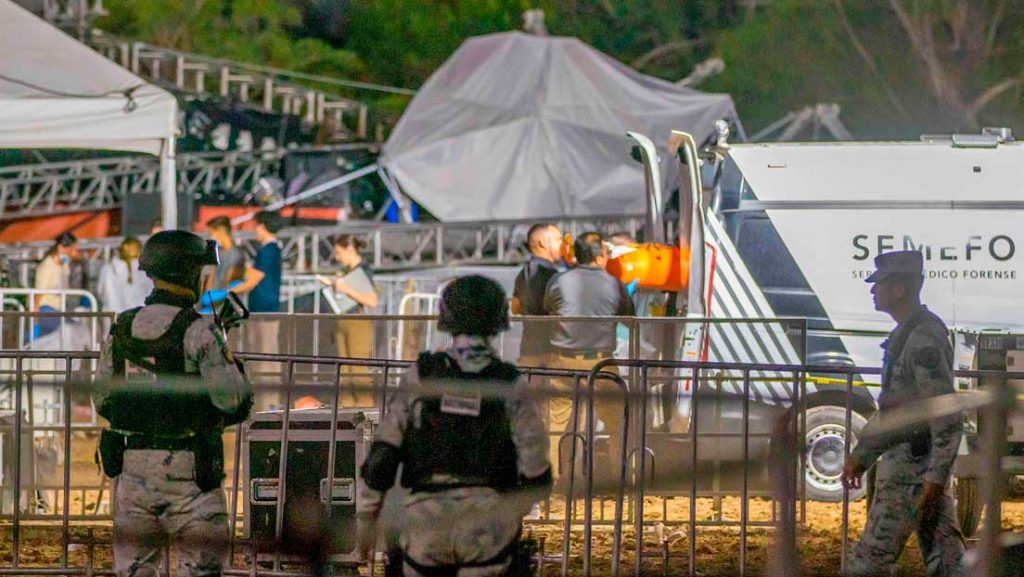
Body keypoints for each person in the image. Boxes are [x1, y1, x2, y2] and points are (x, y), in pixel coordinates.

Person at [357, 275, 551, 577]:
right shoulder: (508, 382)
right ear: (498, 319)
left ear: (446, 317)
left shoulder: (421, 376)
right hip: (488, 523)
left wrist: (367, 520)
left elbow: (383, 454)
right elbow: (536, 465)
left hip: (426, 520)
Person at [92, 230, 252, 577]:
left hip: (131, 475)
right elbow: (234, 400)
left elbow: (102, 399)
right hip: (189, 475)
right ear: (190, 274)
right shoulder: (199, 331)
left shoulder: (122, 327)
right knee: (201, 569)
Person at [840, 250, 965, 577]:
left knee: (869, 561)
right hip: (917, 469)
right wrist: (863, 455)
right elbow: (898, 408)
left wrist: (935, 477)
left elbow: (945, 413)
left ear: (898, 289)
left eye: (878, 284)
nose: (872, 290)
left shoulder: (923, 338)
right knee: (947, 560)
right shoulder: (909, 334)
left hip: (910, 471)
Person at [543, 232, 634, 480]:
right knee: (617, 424)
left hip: (562, 362)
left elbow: (548, 310)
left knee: (555, 425)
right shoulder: (615, 284)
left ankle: (550, 485)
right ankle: (621, 481)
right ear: (599, 255)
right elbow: (630, 318)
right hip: (600, 363)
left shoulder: (558, 281)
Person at [230, 211, 283, 408]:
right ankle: (267, 401)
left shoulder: (267, 250)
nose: (255, 230)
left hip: (265, 311)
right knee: (264, 354)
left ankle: (268, 402)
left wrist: (229, 289)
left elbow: (253, 280)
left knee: (265, 355)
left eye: (257, 226)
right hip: (265, 310)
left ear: (263, 226)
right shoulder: (271, 249)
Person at [320, 234, 379, 407]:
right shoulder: (349, 271)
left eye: (339, 252)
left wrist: (346, 289)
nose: (337, 257)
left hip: (357, 322)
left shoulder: (364, 270)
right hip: (343, 320)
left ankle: (365, 409)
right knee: (344, 371)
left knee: (357, 370)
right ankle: (345, 410)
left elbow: (371, 300)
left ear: (350, 249)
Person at [510, 223, 563, 368]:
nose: (563, 244)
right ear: (543, 243)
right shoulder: (552, 275)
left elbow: (515, 307)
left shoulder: (523, 273)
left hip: (528, 351)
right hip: (551, 354)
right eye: (558, 240)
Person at [33, 233, 78, 336]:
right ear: (61, 248)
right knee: (69, 329)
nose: (74, 254)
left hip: (57, 309)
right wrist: (34, 320)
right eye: (72, 250)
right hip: (45, 309)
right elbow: (38, 294)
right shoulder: (47, 266)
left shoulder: (63, 265)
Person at [97, 237, 152, 313]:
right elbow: (151, 292)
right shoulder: (146, 271)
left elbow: (101, 292)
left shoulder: (107, 269)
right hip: (140, 316)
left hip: (113, 316)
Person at [205, 216, 246, 291]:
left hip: (223, 296)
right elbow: (212, 274)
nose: (211, 237)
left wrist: (220, 296)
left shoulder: (235, 253)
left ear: (221, 230)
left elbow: (230, 278)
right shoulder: (219, 251)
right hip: (213, 295)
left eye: (212, 233)